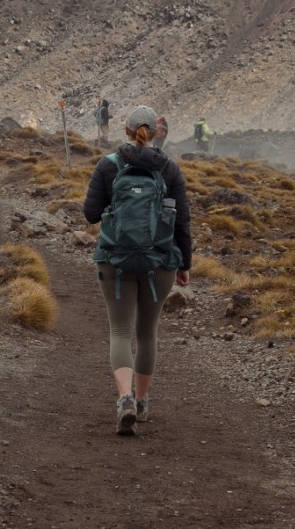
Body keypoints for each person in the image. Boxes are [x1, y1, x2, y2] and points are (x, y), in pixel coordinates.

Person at [84, 105, 192, 435]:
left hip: (114, 259)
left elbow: (90, 215)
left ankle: (124, 400)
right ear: (156, 132)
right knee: (147, 333)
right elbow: (183, 224)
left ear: (127, 132)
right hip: (159, 261)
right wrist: (184, 264)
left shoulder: (108, 165)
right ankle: (142, 402)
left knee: (119, 331)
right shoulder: (170, 169)